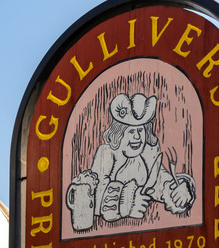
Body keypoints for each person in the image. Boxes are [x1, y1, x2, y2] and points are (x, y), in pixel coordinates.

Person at [66, 93, 195, 230]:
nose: (137, 137)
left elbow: (160, 182)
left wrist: (179, 191)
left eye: (140, 130)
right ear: (119, 133)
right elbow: (96, 194)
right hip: (108, 238)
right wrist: (127, 203)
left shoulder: (148, 153)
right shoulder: (106, 153)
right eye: (131, 131)